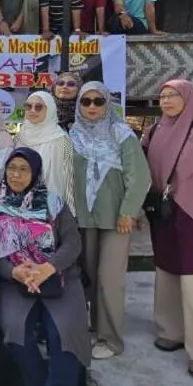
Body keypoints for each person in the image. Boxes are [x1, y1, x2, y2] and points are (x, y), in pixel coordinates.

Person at [0, 147, 90, 386]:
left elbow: (73, 244)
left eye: (23, 170)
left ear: (36, 173)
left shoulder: (55, 204)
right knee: (18, 336)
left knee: (66, 338)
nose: (16, 175)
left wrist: (48, 267)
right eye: (11, 169)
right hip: (15, 282)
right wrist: (14, 271)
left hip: (59, 279)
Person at [141, 79, 193, 378]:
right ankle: (171, 330)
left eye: (173, 96)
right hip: (163, 213)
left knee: (192, 279)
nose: (166, 101)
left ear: (188, 98)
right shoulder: (154, 131)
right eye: (162, 96)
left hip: (192, 213)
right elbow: (143, 171)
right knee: (165, 270)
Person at [70, 82, 149, 360]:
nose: (92, 107)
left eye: (98, 102)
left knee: (109, 279)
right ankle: (95, 330)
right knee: (89, 275)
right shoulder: (74, 135)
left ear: (107, 105)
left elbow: (138, 177)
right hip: (84, 216)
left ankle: (112, 339)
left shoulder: (121, 134)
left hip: (116, 218)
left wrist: (129, 211)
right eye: (86, 102)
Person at [13, 91, 76, 214]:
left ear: (50, 109)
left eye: (38, 107)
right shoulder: (20, 136)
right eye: (28, 106)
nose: (32, 110)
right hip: (19, 208)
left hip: (49, 209)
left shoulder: (61, 139)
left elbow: (69, 179)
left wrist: (70, 213)